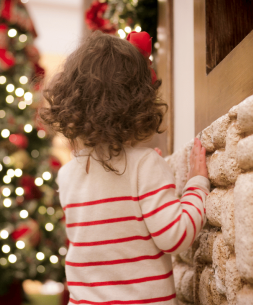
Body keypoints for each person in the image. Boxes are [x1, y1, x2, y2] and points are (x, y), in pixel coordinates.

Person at [40, 30, 209, 305]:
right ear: (139, 102)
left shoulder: (68, 174)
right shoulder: (145, 165)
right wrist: (196, 185)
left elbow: (108, 226)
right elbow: (175, 237)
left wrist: (145, 172)